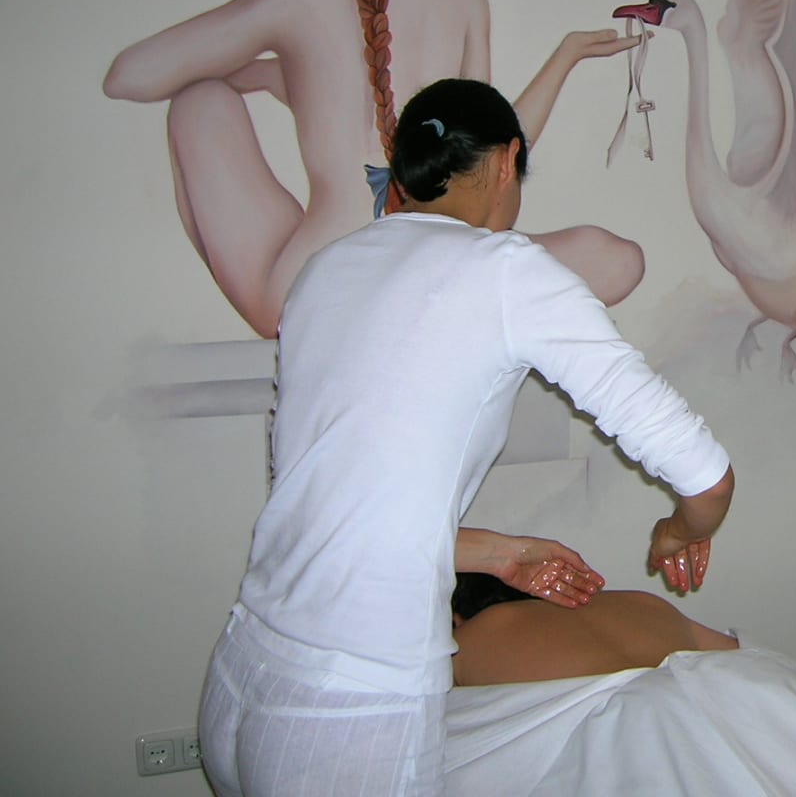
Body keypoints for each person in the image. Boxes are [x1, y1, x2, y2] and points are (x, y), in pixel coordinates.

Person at [197, 78, 735, 796]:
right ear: (508, 160)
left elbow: (330, 505)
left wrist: (499, 554)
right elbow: (706, 477)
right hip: (349, 709)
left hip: (242, 674)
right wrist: (681, 529)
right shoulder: (506, 269)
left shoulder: (326, 270)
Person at [104, 0, 644, 338]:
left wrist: (264, 68)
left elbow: (130, 75)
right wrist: (566, 56)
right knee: (616, 259)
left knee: (199, 102)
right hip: (431, 274)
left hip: (312, 289)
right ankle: (444, 310)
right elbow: (488, 156)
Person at [449, 572, 738, 687]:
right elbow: (738, 652)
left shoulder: (464, 643)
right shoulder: (644, 602)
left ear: (455, 618)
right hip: (706, 718)